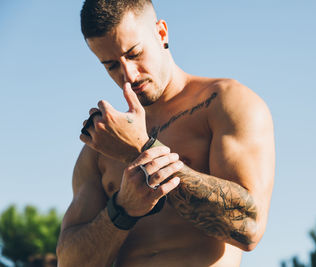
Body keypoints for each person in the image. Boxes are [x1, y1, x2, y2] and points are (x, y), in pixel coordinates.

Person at [56, 0, 275, 266]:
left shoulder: (224, 104)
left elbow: (248, 228)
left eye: (135, 53)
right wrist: (123, 209)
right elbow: (70, 261)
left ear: (161, 33)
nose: (129, 75)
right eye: (111, 65)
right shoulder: (102, 145)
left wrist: (142, 149)